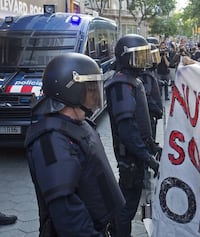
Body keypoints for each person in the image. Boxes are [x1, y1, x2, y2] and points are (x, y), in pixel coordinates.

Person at [24, 53, 125, 236]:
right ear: (71, 91)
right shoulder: (51, 140)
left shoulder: (78, 123)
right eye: (91, 89)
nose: (95, 96)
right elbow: (67, 214)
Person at [105, 34, 160, 237]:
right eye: (139, 56)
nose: (144, 61)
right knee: (126, 207)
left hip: (137, 154)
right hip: (130, 157)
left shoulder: (130, 81)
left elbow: (139, 123)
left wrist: (152, 147)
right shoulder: (121, 85)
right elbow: (127, 128)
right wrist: (148, 157)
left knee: (129, 201)